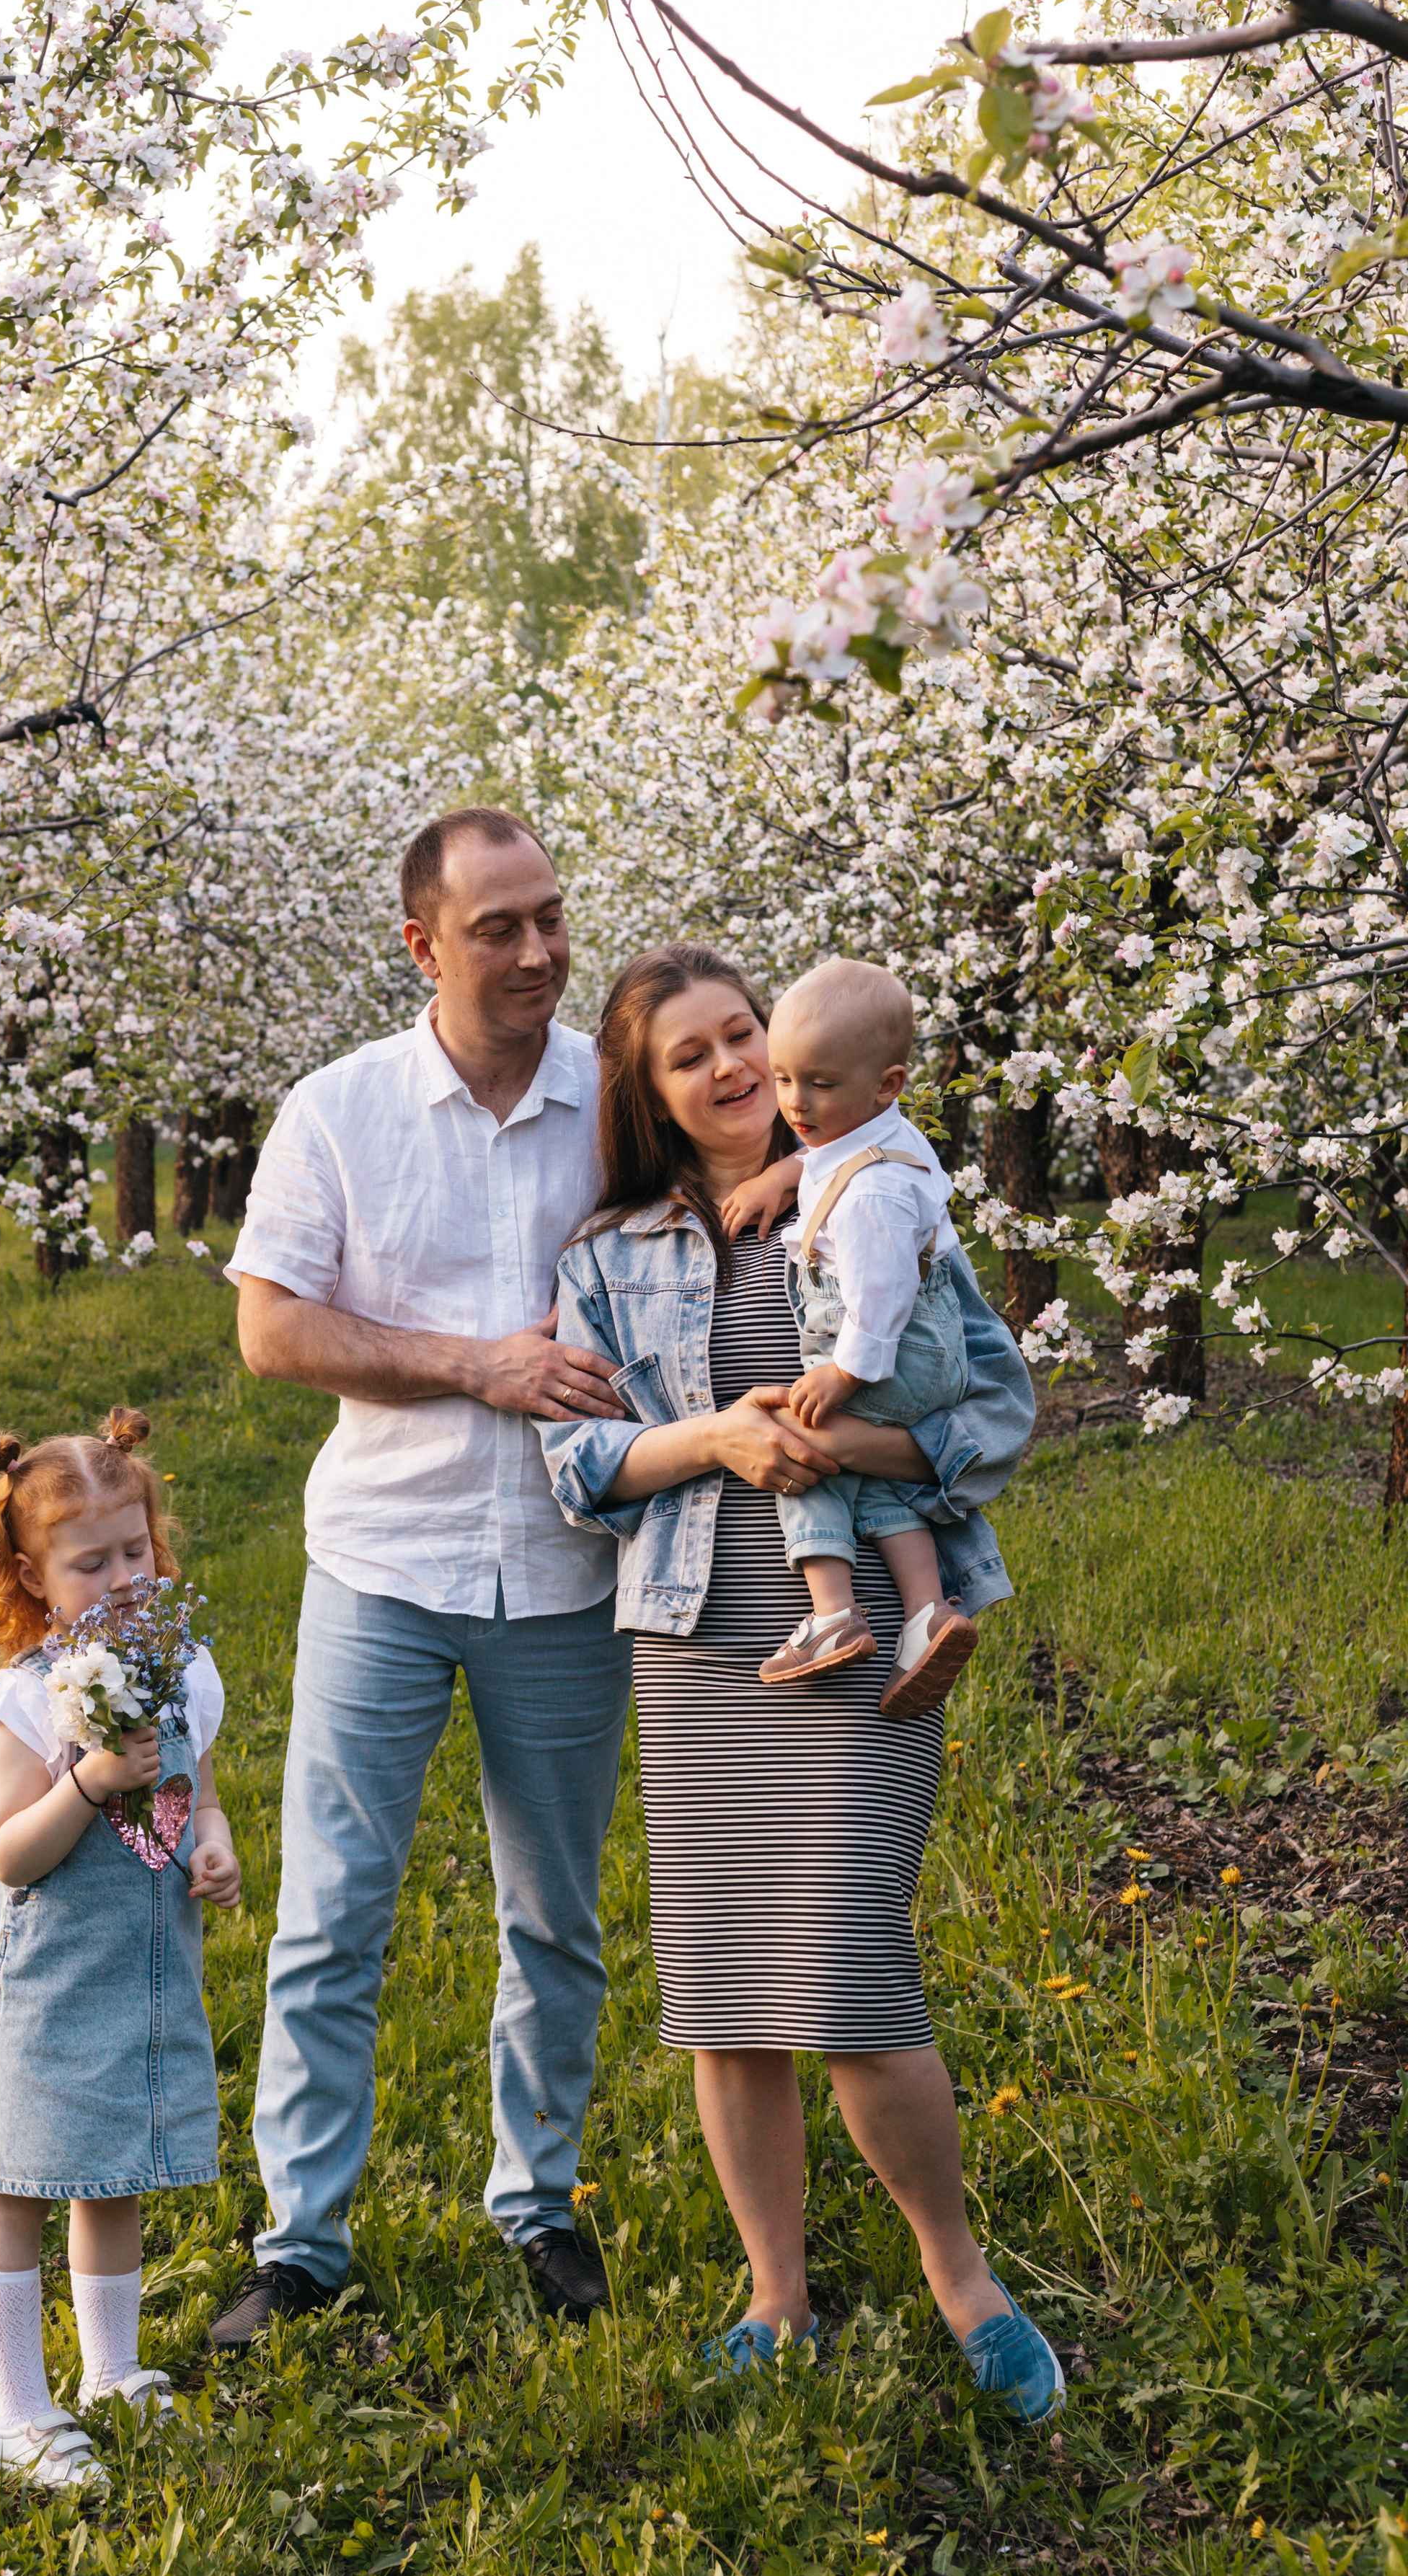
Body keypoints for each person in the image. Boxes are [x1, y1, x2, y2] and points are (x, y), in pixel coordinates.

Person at [539, 944, 1063, 2423]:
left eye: (739, 1036)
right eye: (688, 1055)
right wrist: (716, 1438)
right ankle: (777, 2295)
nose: (726, 1070)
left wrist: (845, 1447)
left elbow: (997, 1414)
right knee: (726, 2000)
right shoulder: (607, 1256)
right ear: (648, 1094)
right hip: (701, 1634)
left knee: (846, 1970)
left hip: (869, 1639)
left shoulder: (876, 1192)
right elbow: (578, 1467)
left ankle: (960, 2275)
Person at [210, 805, 642, 2351]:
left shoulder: (623, 1100)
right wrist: (478, 1366)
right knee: (331, 1919)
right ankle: (301, 2243)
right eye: (497, 928)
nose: (538, 952)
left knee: (556, 1917)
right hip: (383, 1564)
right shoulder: (338, 1111)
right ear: (420, 946)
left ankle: (538, 2204)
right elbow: (271, 1329)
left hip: (571, 1571)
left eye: (550, 917)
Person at [0, 1408, 242, 2490]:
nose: (123, 1579)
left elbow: (198, 1793)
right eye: (91, 1563)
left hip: (145, 1975)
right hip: (51, 1985)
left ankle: (112, 2370)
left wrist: (213, 1844)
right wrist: (87, 1780)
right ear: (33, 1577)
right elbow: (10, 1854)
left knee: (113, 2177)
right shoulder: (26, 1703)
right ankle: (19, 2413)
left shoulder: (180, 1669)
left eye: (136, 1552)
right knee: (19, 2187)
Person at [721, 957, 983, 1715]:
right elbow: (832, 1161)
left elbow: (881, 1295)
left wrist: (845, 1372)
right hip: (928, 1355)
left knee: (801, 1450)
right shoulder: (881, 1141)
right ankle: (926, 1612)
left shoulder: (871, 1197)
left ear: (888, 1084)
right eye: (783, 1079)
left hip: (890, 1351)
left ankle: (831, 1612)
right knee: (881, 1483)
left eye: (820, 1084)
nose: (795, 1102)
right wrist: (787, 1172)